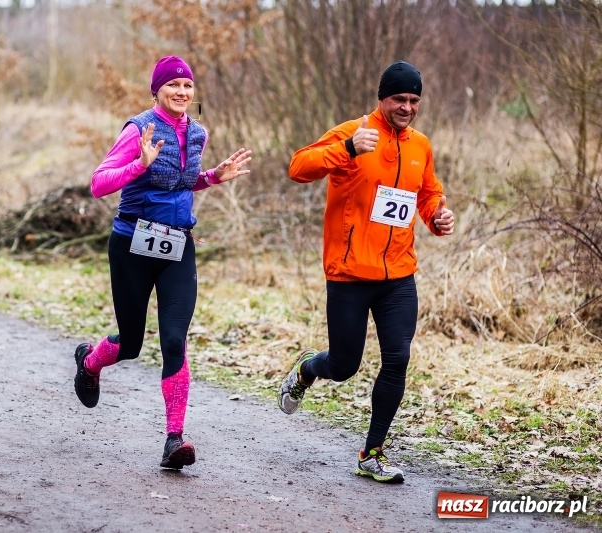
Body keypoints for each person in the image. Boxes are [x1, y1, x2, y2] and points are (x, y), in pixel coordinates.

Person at [279, 60, 455, 483]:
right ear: (382, 99)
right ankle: (307, 370)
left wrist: (437, 216)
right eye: (400, 99)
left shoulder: (421, 146)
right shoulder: (354, 133)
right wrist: (346, 149)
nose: (407, 107)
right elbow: (298, 167)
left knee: (398, 359)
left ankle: (372, 453)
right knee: (344, 365)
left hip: (398, 275)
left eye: (414, 100)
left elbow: (428, 194)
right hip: (349, 273)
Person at [74, 56, 252, 470]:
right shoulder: (139, 129)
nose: (181, 92)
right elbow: (99, 184)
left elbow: (181, 183)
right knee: (132, 344)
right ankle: (89, 361)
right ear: (157, 91)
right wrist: (140, 164)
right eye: (173, 85)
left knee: (174, 339)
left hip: (177, 247)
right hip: (132, 245)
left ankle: (175, 440)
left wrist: (211, 178)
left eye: (187, 85)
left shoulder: (198, 133)